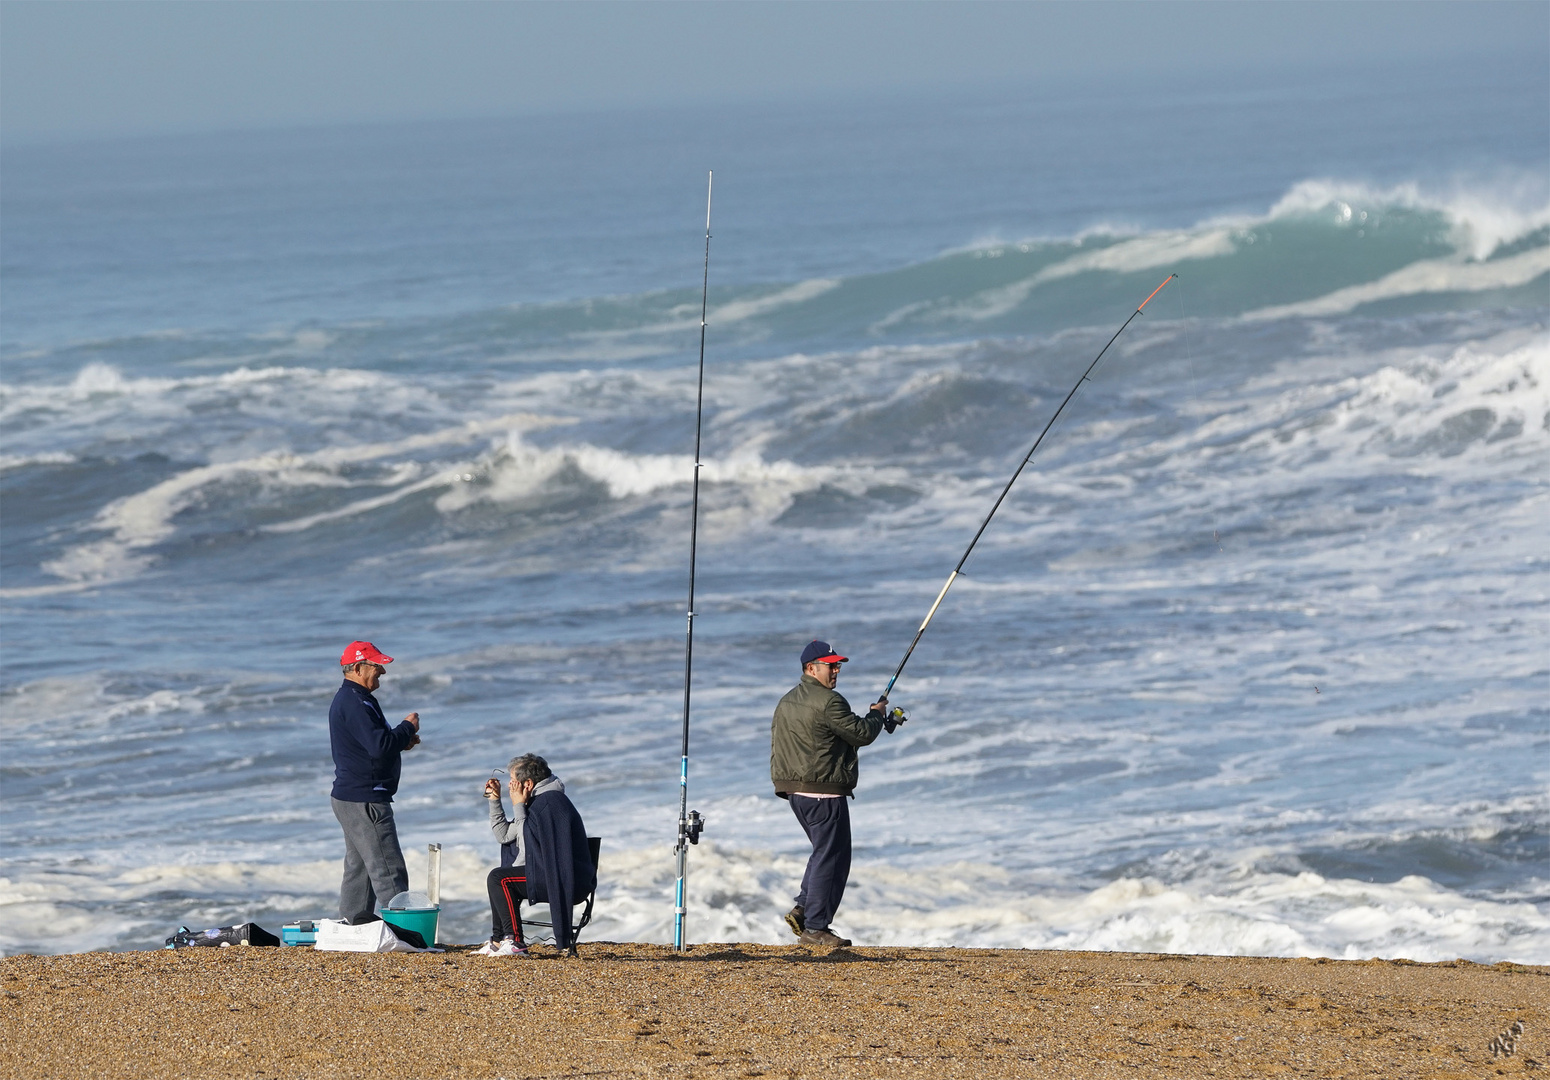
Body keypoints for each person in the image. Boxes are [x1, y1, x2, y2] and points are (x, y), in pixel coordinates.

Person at [770, 639, 894, 948]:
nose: (836, 670)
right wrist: (878, 714)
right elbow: (862, 733)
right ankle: (816, 928)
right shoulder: (829, 701)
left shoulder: (786, 701)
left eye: (837, 665)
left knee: (823, 852)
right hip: (822, 791)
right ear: (811, 668)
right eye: (830, 665)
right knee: (834, 857)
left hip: (795, 792)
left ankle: (803, 908)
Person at [328, 640, 422, 924]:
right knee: (387, 868)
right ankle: (407, 933)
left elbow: (372, 747)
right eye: (376, 666)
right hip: (364, 798)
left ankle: (351, 929)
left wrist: (401, 742)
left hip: (351, 795)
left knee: (360, 870)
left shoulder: (355, 698)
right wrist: (407, 728)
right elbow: (380, 746)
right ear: (357, 667)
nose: (382, 671)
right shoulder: (355, 701)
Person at [478, 753, 595, 957]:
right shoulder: (534, 801)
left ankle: (514, 941)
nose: (510, 786)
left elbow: (526, 841)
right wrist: (494, 800)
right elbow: (504, 835)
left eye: (513, 781)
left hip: (564, 879)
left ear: (528, 783)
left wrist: (518, 806)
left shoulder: (550, 803)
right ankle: (498, 941)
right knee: (499, 876)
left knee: (499, 879)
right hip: (549, 872)